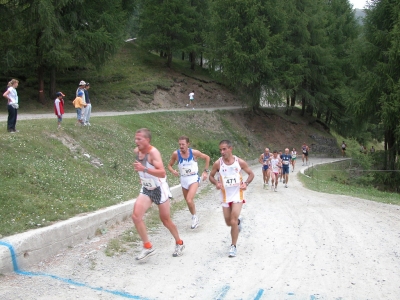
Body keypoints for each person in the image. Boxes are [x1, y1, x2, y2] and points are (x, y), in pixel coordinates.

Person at [132, 128, 185, 260]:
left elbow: (162, 173)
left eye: (139, 139)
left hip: (159, 188)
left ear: (147, 140)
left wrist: (144, 169)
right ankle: (147, 246)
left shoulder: (153, 153)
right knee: (136, 216)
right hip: (146, 188)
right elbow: (141, 167)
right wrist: (142, 175)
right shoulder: (136, 152)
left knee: (165, 220)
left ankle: (179, 242)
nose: (136, 141)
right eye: (136, 139)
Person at [209, 140, 254, 257]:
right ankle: (238, 223)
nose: (222, 152)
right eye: (220, 150)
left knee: (233, 220)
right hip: (225, 196)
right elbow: (211, 176)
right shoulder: (218, 163)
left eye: (224, 149)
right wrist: (216, 183)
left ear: (230, 149)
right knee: (229, 222)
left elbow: (251, 174)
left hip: (237, 194)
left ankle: (233, 246)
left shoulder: (239, 162)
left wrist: (246, 184)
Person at [168, 136, 210, 229]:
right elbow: (169, 165)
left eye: (183, 144)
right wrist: (173, 171)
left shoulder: (194, 153)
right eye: (180, 144)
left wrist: (205, 171)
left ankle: (194, 218)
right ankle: (194, 215)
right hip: (184, 179)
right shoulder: (176, 154)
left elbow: (207, 158)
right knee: (188, 201)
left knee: (189, 199)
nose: (181, 146)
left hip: (194, 178)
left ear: (188, 144)